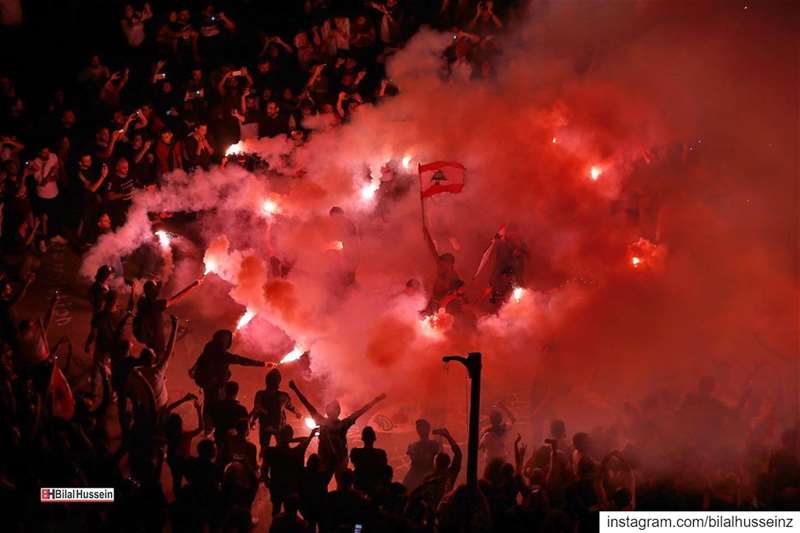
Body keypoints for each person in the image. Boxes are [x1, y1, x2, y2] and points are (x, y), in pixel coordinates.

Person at [289, 379, 386, 485]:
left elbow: (361, 411)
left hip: (337, 459)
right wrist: (295, 389)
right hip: (329, 459)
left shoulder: (339, 423)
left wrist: (376, 400)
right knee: (324, 484)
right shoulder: (335, 423)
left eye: (335, 408)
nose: (334, 410)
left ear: (337, 411)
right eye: (333, 408)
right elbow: (307, 404)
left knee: (334, 484)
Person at [191, 329, 265, 431]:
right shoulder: (222, 355)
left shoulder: (208, 350)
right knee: (219, 411)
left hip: (209, 387)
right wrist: (263, 364)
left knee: (209, 409)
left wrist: (195, 370)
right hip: (217, 388)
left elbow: (199, 362)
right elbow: (241, 360)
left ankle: (208, 432)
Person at [134, 278, 202, 356]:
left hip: (148, 343)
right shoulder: (156, 305)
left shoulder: (142, 302)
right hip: (156, 346)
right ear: (152, 291)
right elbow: (176, 298)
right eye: (155, 287)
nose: (158, 289)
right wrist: (192, 285)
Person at [263, 424, 318, 516]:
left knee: (276, 509)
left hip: (276, 485)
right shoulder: (296, 452)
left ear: (278, 436)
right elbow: (305, 439)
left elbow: (265, 467)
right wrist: (290, 439)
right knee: (292, 512)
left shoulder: (270, 451)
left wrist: (266, 479)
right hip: (292, 487)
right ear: (291, 436)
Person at [251, 367, 301, 452]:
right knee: (281, 446)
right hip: (279, 426)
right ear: (278, 381)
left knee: (264, 448)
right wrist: (297, 413)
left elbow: (257, 409)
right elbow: (290, 406)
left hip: (265, 425)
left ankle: (264, 463)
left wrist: (253, 421)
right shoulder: (283, 396)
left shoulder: (260, 394)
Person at [137, 313, 179, 411]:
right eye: (154, 354)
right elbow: (169, 349)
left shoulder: (137, 372)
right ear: (153, 360)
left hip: (146, 407)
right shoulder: (158, 371)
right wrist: (175, 326)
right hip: (160, 407)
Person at [164, 392, 203, 496]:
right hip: (184, 461)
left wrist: (183, 399)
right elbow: (201, 428)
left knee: (176, 479)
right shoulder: (185, 436)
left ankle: (178, 496)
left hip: (172, 459)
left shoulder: (167, 432)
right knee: (191, 478)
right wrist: (198, 410)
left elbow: (168, 409)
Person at [413, 427, 462, 509]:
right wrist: (448, 436)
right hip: (445, 508)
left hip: (431, 511)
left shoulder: (428, 478)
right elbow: (458, 454)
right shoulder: (451, 474)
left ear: (435, 463)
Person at [350, 425, 388, 497]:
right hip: (375, 488)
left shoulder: (356, 453)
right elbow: (384, 470)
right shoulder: (380, 454)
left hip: (360, 486)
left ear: (362, 438)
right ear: (374, 438)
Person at [403, 418, 440, 491]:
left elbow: (440, 458)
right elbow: (413, 459)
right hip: (414, 475)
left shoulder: (434, 444)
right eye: (418, 427)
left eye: (421, 427)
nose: (419, 429)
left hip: (428, 473)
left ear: (427, 428)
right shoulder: (412, 445)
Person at [209, 380, 249, 445]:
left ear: (225, 391)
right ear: (237, 392)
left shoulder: (216, 407)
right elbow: (246, 429)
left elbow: (212, 422)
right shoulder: (241, 409)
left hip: (219, 439)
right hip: (234, 442)